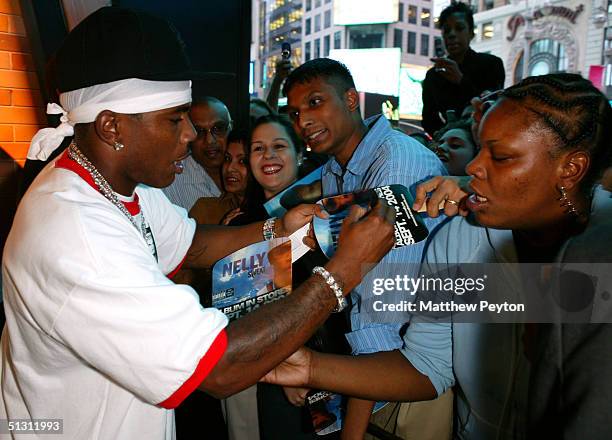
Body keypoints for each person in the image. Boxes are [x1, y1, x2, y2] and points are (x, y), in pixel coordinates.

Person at [0, 7, 397, 440]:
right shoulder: (76, 234)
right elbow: (220, 367)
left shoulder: (119, 188)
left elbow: (193, 245)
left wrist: (283, 231)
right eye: (174, 119)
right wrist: (344, 272)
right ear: (112, 127)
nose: (190, 134)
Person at [267, 73, 612, 439]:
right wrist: (309, 367)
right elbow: (427, 365)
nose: (474, 168)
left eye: (501, 156)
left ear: (570, 169)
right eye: (479, 149)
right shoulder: (461, 239)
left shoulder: (601, 254)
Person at [283, 58, 453, 440]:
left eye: (314, 102)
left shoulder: (397, 165)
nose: (303, 121)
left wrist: (352, 431)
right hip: (363, 373)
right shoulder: (334, 170)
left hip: (406, 376)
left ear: (350, 99)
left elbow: (382, 315)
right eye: (294, 112)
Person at [232, 114, 345, 440]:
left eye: (279, 146)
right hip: (271, 371)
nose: (268, 156)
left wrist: (316, 367)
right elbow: (243, 312)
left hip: (334, 365)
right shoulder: (241, 228)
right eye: (258, 148)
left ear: (299, 153)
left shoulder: (332, 215)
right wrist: (280, 364)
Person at [422, 1, 504, 136]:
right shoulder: (433, 75)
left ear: (471, 33)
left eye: (459, 28)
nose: (452, 35)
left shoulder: (491, 64)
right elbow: (428, 120)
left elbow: (492, 108)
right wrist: (445, 136)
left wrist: (461, 80)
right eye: (447, 30)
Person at [162, 96, 231, 210]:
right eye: (199, 131)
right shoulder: (172, 178)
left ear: (231, 127)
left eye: (218, 128)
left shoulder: (250, 171)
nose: (209, 140)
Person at [190, 129, 250, 226]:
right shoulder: (205, 210)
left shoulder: (274, 209)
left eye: (242, 161)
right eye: (227, 158)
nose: (230, 168)